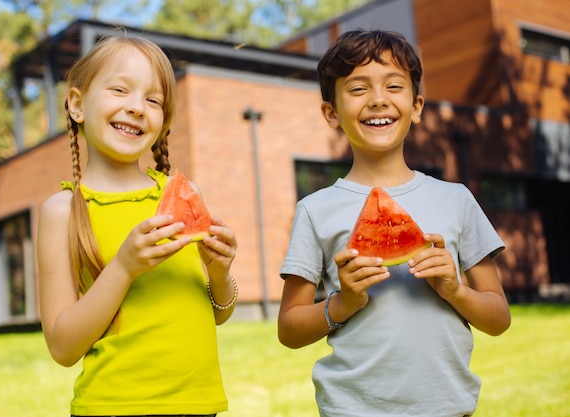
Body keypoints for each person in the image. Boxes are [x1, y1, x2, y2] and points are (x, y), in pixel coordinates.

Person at [278, 29, 511, 417]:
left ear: (416, 106)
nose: (378, 99)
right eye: (357, 89)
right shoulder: (315, 209)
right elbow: (289, 329)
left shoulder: (456, 199)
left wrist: (455, 290)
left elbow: (499, 318)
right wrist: (342, 303)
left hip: (447, 408)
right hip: (351, 409)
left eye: (394, 85)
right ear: (330, 113)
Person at [36, 32, 238, 417]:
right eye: (119, 90)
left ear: (163, 121)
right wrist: (124, 267)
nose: (136, 108)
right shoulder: (61, 211)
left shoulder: (183, 192)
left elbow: (218, 312)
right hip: (113, 407)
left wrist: (220, 271)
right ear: (77, 104)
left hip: (200, 406)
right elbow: (62, 348)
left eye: (153, 100)